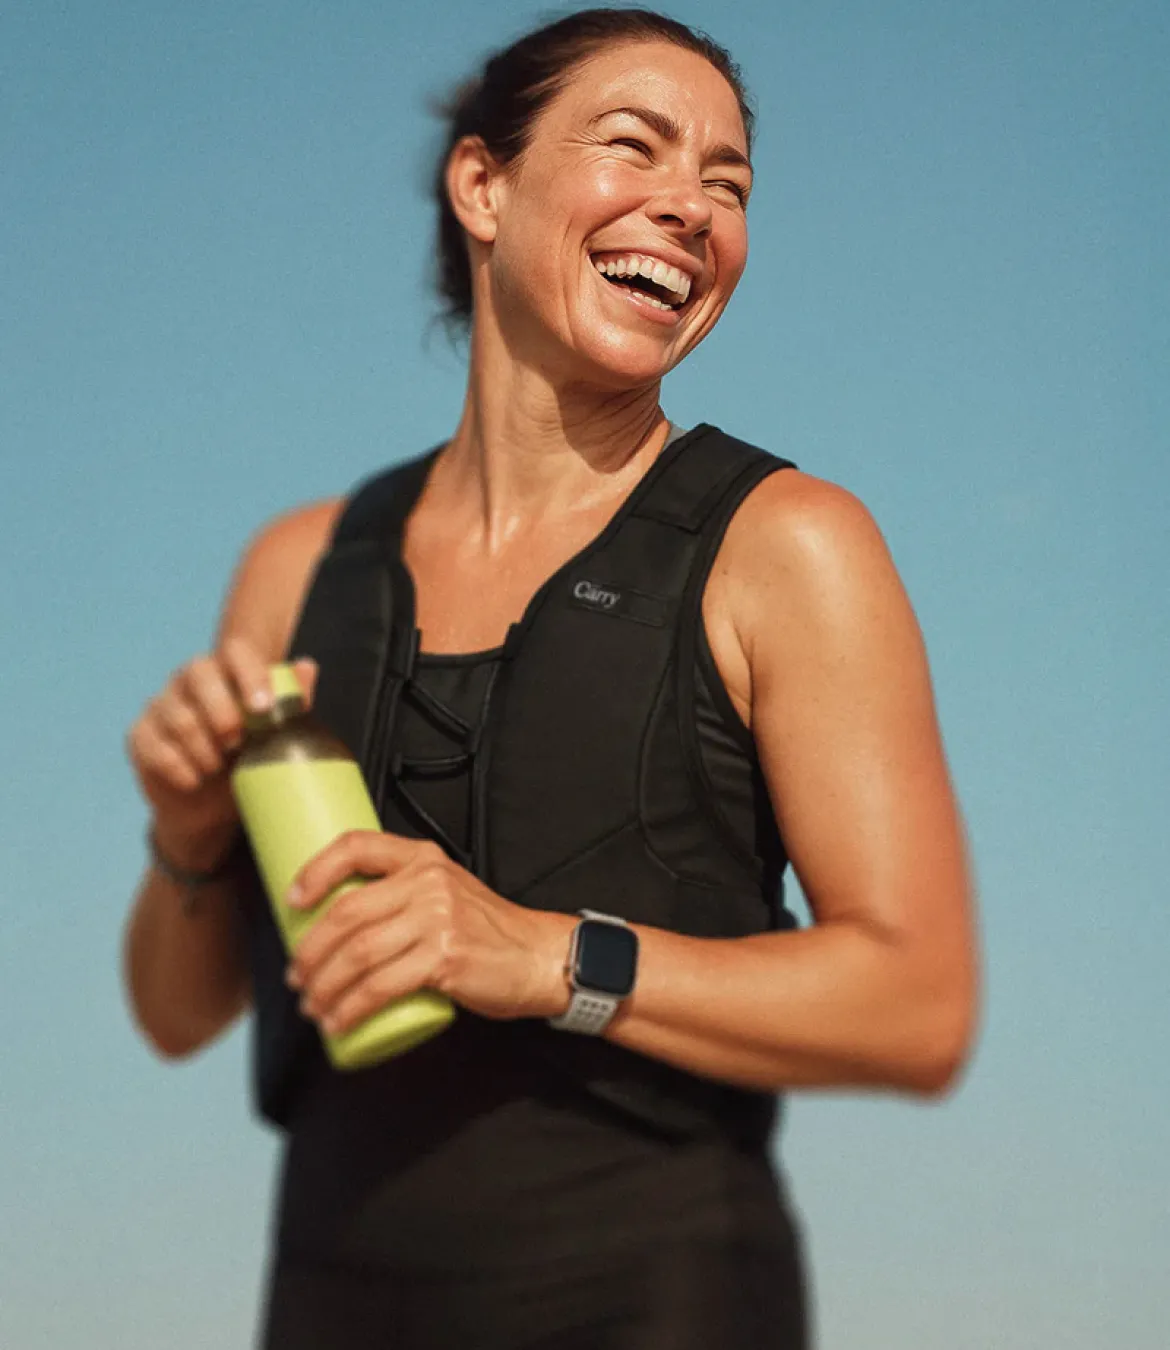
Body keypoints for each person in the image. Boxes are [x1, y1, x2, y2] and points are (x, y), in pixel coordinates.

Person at [121, 9, 979, 1348]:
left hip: (661, 1300)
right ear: (483, 184)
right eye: (634, 147)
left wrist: (542, 954)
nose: (689, 209)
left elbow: (916, 1005)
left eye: (728, 184)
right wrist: (184, 839)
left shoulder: (787, 543)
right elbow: (178, 1015)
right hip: (329, 1301)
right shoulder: (295, 567)